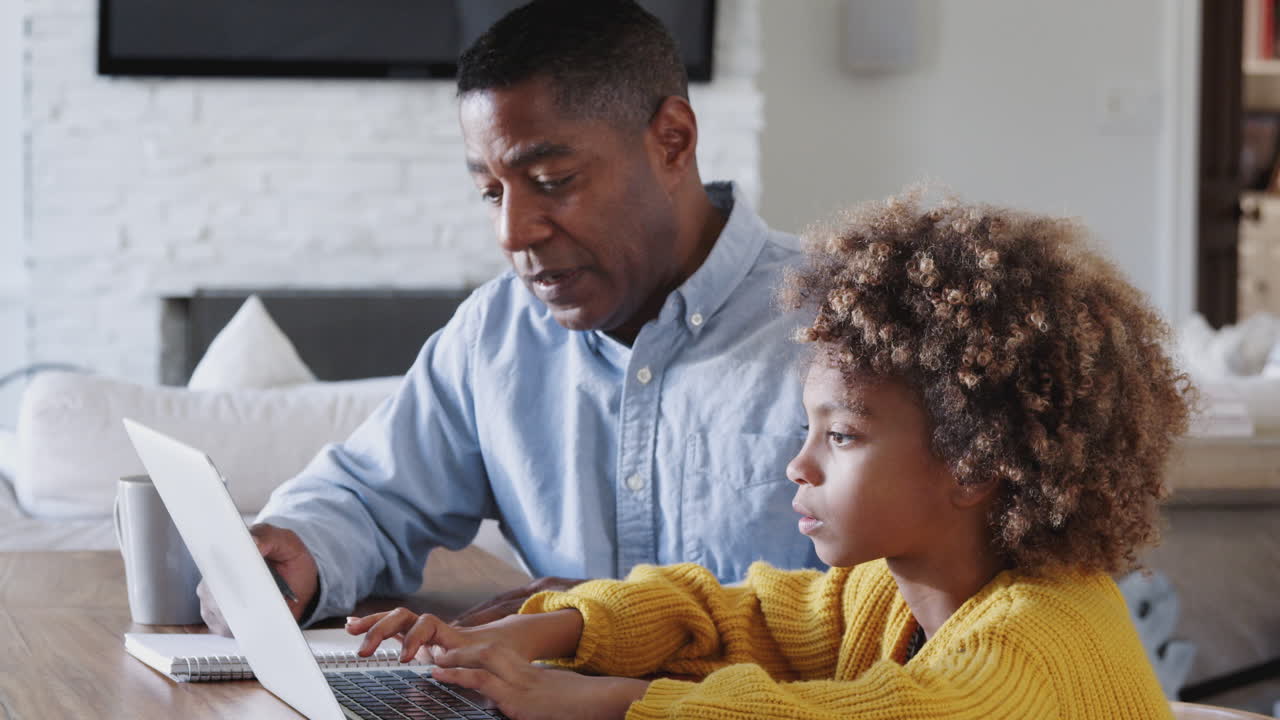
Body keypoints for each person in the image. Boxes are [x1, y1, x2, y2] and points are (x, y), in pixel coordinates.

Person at [347, 189, 1192, 719]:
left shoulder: (1034, 643)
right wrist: (548, 634)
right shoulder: (887, 594)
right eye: (807, 428)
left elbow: (858, 717)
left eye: (844, 436)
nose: (801, 465)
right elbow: (727, 613)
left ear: (974, 463)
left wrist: (600, 702)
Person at [198, 0, 817, 635]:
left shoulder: (842, 327)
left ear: (672, 142)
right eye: (491, 192)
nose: (512, 230)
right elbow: (369, 496)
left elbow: (891, 607)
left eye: (552, 179)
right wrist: (301, 549)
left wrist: (611, 621)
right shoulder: (496, 334)